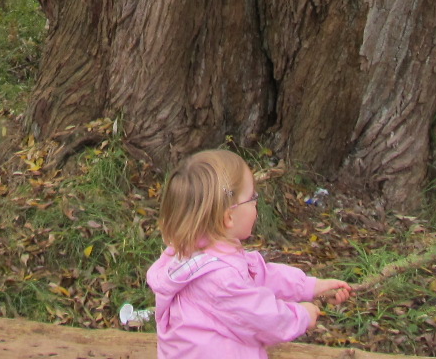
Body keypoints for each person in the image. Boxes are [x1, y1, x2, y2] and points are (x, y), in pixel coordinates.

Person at [147, 149, 351, 359]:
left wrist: (311, 287)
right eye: (252, 197)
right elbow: (263, 318)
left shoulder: (201, 252)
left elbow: (260, 274)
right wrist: (302, 316)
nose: (256, 203)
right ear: (229, 217)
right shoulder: (220, 280)